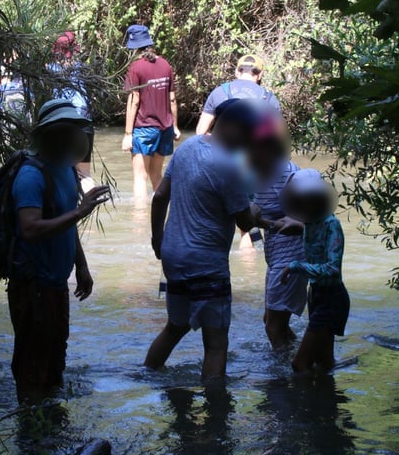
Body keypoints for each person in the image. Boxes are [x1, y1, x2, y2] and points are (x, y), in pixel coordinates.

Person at [144, 98, 263, 384]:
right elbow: (244, 222)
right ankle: (215, 413)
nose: (248, 145)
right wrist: (257, 212)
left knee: (175, 326)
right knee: (216, 342)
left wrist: (158, 239)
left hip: (174, 257)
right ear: (233, 128)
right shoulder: (228, 167)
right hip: (206, 263)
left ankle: (146, 375)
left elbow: (160, 196)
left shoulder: (186, 148)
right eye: (247, 137)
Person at [9, 99, 111, 402]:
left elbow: (65, 223)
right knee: (32, 362)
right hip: (32, 284)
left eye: (75, 130)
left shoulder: (66, 170)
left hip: (56, 283)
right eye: (66, 130)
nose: (72, 136)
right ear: (50, 134)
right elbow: (29, 228)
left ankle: (52, 431)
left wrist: (82, 266)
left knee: (55, 358)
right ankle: (30, 432)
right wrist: (80, 212)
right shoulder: (31, 175)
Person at [278, 169, 349, 373]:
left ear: (318, 199)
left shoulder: (331, 225)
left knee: (299, 364)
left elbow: (332, 269)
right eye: (300, 200)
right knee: (324, 363)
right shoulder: (310, 223)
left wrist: (296, 266)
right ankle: (327, 402)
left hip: (332, 298)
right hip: (316, 295)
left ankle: (304, 404)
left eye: (308, 199)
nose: (303, 204)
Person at [249, 122, 307, 350]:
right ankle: (301, 354)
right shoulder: (255, 174)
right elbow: (248, 216)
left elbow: (315, 219)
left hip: (292, 257)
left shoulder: (292, 175)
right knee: (273, 322)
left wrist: (263, 222)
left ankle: (286, 378)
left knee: (273, 327)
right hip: (275, 257)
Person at [121, 25, 179, 200]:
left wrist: (128, 134)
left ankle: (139, 224)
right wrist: (175, 126)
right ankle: (161, 218)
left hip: (144, 129)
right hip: (165, 128)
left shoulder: (136, 68)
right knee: (156, 175)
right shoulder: (165, 64)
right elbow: (172, 99)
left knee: (140, 177)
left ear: (133, 47)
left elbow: (134, 100)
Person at [47, 31, 95, 189]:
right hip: (84, 120)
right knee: (84, 174)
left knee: (62, 172)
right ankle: (90, 203)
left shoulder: (50, 70)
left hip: (64, 122)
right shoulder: (82, 69)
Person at [195, 55, 280, 136]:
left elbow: (200, 133)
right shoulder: (269, 98)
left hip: (221, 148)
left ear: (237, 72)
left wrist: (216, 140)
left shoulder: (219, 92)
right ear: (260, 74)